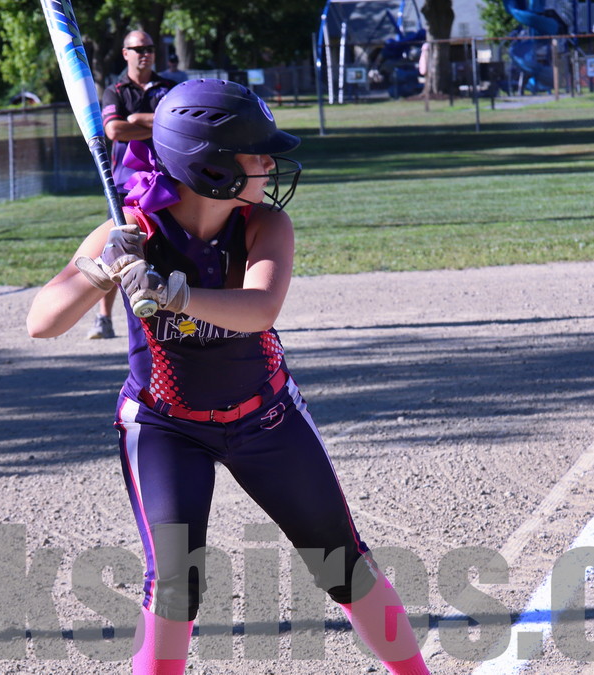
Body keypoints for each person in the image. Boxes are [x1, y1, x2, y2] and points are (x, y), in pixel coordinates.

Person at [27, 79, 429, 675]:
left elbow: (259, 308)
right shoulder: (133, 228)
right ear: (211, 168)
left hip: (266, 415)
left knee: (342, 563)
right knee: (174, 581)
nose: (270, 163)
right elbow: (41, 323)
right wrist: (100, 270)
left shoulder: (265, 225)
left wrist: (175, 294)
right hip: (166, 425)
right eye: (257, 153)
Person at [89, 30, 177, 340]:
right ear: (125, 53)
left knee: (167, 245)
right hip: (125, 184)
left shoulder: (169, 88)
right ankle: (103, 318)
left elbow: (181, 125)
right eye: (138, 48)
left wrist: (137, 119)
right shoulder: (115, 91)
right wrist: (158, 123)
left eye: (149, 48)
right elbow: (114, 130)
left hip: (165, 181)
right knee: (116, 247)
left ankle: (169, 313)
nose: (145, 53)